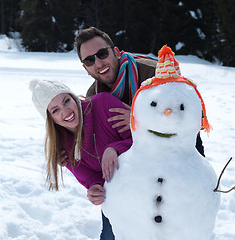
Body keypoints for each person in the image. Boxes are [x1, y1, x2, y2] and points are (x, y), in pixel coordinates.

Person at [75, 26, 205, 239]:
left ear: (116, 51)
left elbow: (193, 119)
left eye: (102, 54)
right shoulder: (93, 96)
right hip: (128, 175)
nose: (98, 63)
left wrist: (140, 121)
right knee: (112, 233)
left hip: (173, 167)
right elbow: (96, 148)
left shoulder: (153, 74)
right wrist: (87, 176)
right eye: (90, 60)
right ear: (85, 68)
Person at [29, 79, 133, 239]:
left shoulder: (104, 104)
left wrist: (115, 149)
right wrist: (95, 187)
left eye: (67, 101)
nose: (66, 111)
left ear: (73, 97)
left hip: (146, 183)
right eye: (56, 110)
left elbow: (144, 141)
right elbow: (91, 177)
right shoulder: (62, 145)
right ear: (50, 119)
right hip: (117, 196)